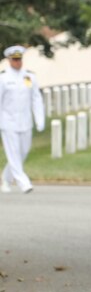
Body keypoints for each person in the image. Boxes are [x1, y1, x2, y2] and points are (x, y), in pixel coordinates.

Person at [0, 45, 45, 193]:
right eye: (14, 59)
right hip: (8, 122)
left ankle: (5, 179)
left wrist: (40, 119)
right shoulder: (3, 78)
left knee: (22, 153)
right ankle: (24, 183)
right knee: (13, 153)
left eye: (19, 59)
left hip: (25, 122)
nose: (17, 62)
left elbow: (36, 99)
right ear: (9, 60)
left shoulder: (29, 77)